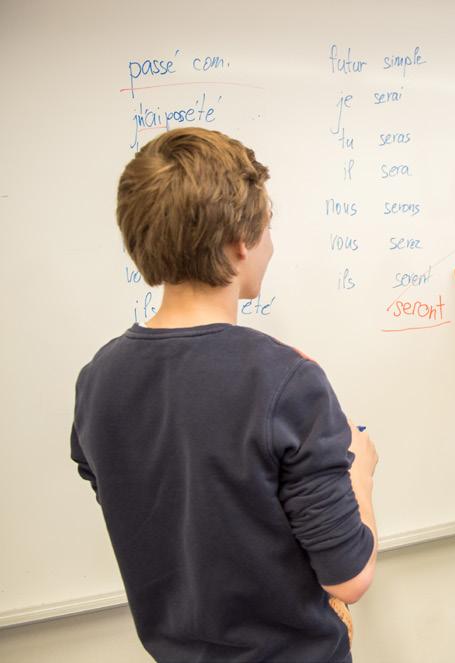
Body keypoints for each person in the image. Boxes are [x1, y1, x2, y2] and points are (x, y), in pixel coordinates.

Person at [70, 127, 378, 662]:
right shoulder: (287, 381)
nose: (271, 245)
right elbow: (349, 578)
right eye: (267, 229)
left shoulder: (99, 379)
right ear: (241, 240)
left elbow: (176, 519)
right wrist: (362, 474)